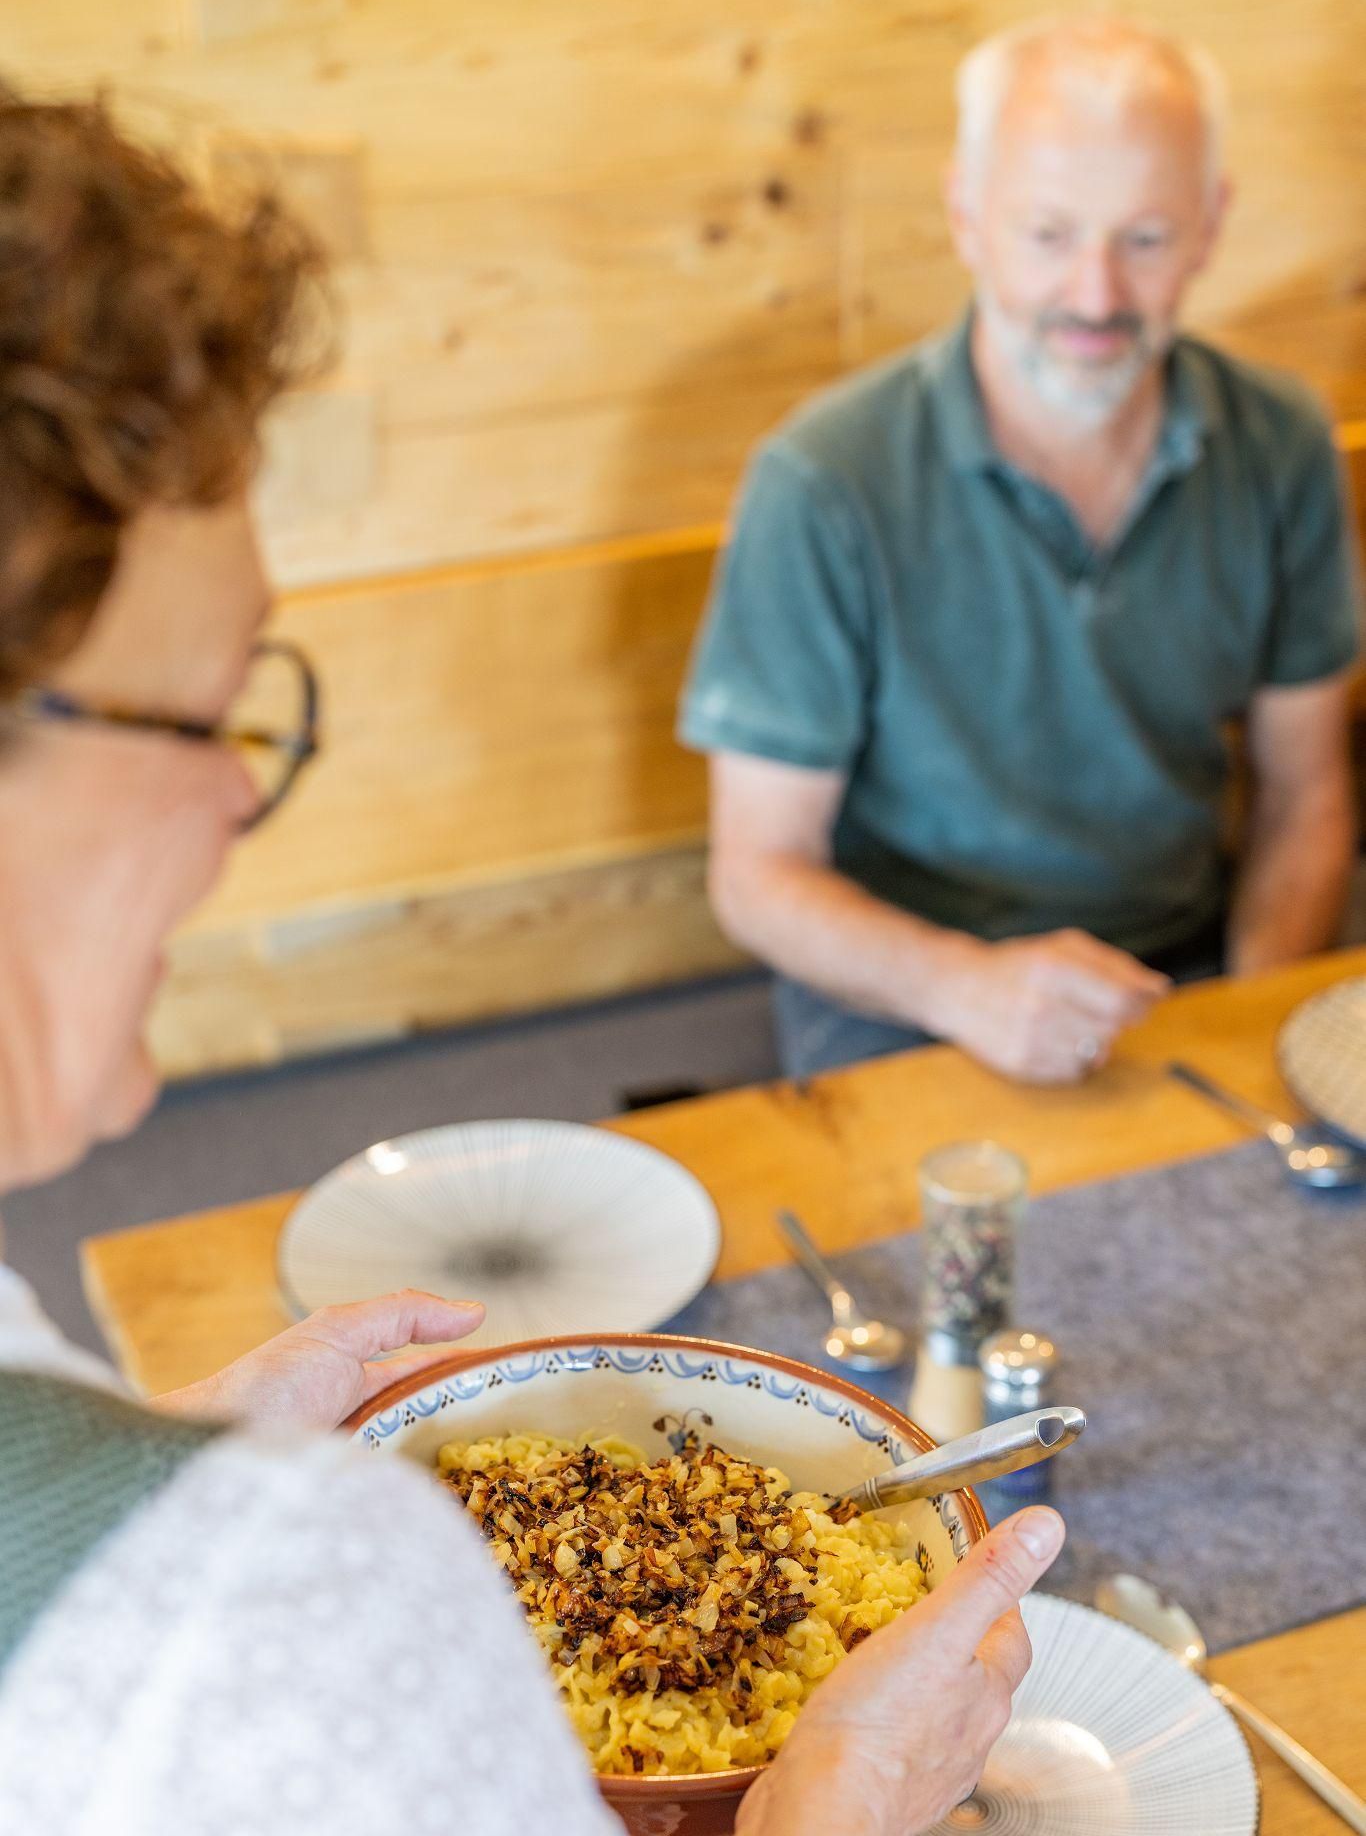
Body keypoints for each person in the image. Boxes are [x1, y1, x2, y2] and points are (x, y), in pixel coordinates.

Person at [0, 88, 1064, 1834]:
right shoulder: (279, 1622)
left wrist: (154, 1452)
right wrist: (844, 1801)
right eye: (212, 713)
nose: (242, 804)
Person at [680, 16, 1360, 1084]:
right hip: (907, 990)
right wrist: (963, 987)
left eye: (1144, 239)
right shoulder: (822, 481)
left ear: (1210, 227)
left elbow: (1306, 793)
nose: (1094, 295)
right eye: (1048, 235)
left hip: (1183, 959)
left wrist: (1253, 1029)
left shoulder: (1280, 441)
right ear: (966, 217)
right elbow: (757, 875)